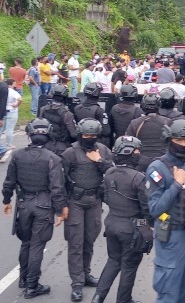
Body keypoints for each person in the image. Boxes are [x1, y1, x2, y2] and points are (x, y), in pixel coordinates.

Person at [1, 118, 67, 299]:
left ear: (29, 134)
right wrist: (60, 211)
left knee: (26, 243)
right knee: (37, 245)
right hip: (43, 205)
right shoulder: (52, 159)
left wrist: (7, 200)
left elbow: (9, 181)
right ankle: (32, 285)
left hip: (23, 204)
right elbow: (57, 188)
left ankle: (23, 278)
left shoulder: (18, 155)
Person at [145, 119, 185, 303]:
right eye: (178, 140)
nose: (183, 144)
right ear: (169, 139)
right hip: (171, 234)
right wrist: (176, 184)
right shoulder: (158, 168)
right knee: (169, 291)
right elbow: (155, 209)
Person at [91, 136, 150, 303]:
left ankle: (98, 297)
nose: (139, 154)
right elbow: (146, 208)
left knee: (113, 261)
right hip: (131, 228)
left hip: (112, 223)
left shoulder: (109, 173)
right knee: (129, 266)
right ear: (129, 153)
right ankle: (123, 300)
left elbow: (105, 196)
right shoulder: (138, 178)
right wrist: (151, 225)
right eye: (137, 151)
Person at [61, 119, 114, 302]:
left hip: (95, 201)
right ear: (79, 134)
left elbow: (113, 173)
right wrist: (62, 207)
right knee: (76, 243)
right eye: (86, 135)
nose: (89, 139)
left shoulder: (103, 150)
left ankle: (85, 274)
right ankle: (77, 283)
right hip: (75, 201)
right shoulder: (70, 153)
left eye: (93, 135)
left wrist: (99, 160)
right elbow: (60, 181)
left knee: (89, 240)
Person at [125, 94, 171, 173]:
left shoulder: (135, 123)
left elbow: (127, 142)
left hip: (141, 163)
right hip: (163, 162)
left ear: (142, 105)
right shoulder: (168, 122)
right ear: (159, 105)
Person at [39, 84, 78, 156]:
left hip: (45, 145)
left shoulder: (43, 109)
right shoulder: (67, 114)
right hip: (61, 148)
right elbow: (74, 134)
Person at [74, 82, 112, 148]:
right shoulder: (100, 111)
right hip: (95, 143)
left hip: (80, 141)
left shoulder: (77, 108)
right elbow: (106, 132)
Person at [0, 79, 22, 149]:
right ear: (11, 84)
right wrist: (16, 105)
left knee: (1, 129)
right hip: (12, 110)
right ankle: (9, 144)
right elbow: (20, 99)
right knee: (9, 129)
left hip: (3, 111)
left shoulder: (2, 90)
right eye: (14, 83)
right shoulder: (13, 92)